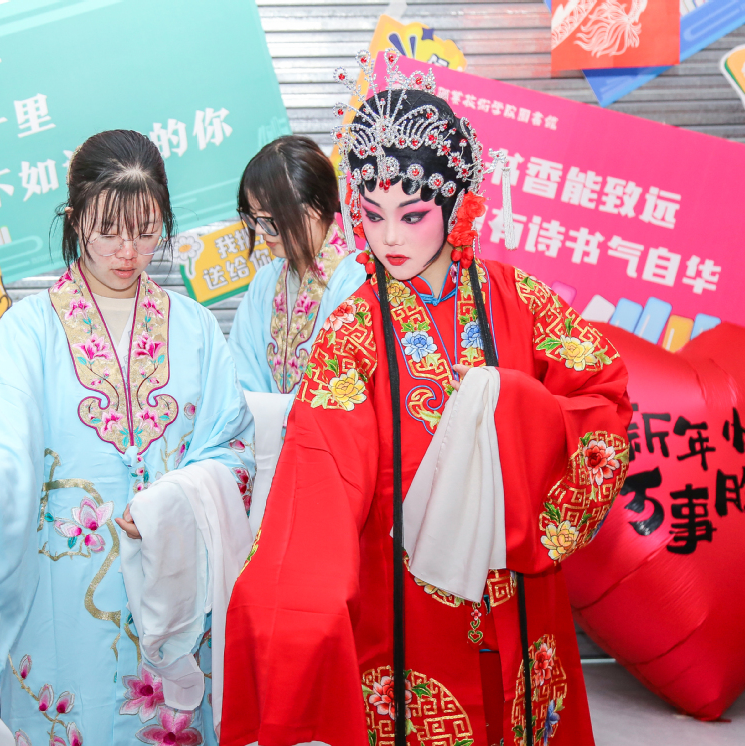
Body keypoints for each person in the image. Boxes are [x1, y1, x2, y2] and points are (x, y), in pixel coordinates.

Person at [223, 52, 632, 746]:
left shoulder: (517, 298)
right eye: (372, 214)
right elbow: (319, 474)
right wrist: (292, 606)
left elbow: (602, 394)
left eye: (412, 214)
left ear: (456, 203)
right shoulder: (353, 328)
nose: (389, 237)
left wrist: (513, 412)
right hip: (404, 600)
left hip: (515, 584)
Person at [0, 129, 255, 746]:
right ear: (74, 215)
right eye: (107, 229)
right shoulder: (28, 331)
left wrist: (175, 501)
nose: (127, 251)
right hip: (58, 598)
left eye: (146, 230)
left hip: (172, 587)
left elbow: (233, 447)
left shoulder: (194, 327)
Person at [229, 135, 365, 394]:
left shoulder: (357, 281)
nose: (260, 230)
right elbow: (240, 374)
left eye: (268, 219)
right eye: (253, 218)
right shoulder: (264, 282)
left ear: (314, 208)